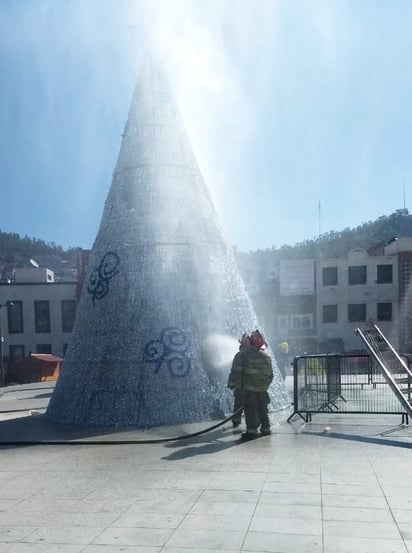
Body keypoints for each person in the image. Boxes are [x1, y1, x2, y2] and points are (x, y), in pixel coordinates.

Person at [238, 329, 273, 441]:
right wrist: (264, 385)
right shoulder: (266, 356)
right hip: (262, 390)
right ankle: (266, 429)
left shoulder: (245, 355)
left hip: (249, 390)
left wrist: (237, 387)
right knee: (262, 409)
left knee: (250, 410)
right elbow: (270, 375)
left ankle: (251, 431)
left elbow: (237, 371)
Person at [227, 333, 250, 428]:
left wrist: (232, 384)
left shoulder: (239, 355)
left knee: (238, 404)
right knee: (250, 406)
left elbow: (234, 371)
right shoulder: (252, 354)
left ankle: (236, 421)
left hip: (240, 386)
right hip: (249, 386)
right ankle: (253, 424)